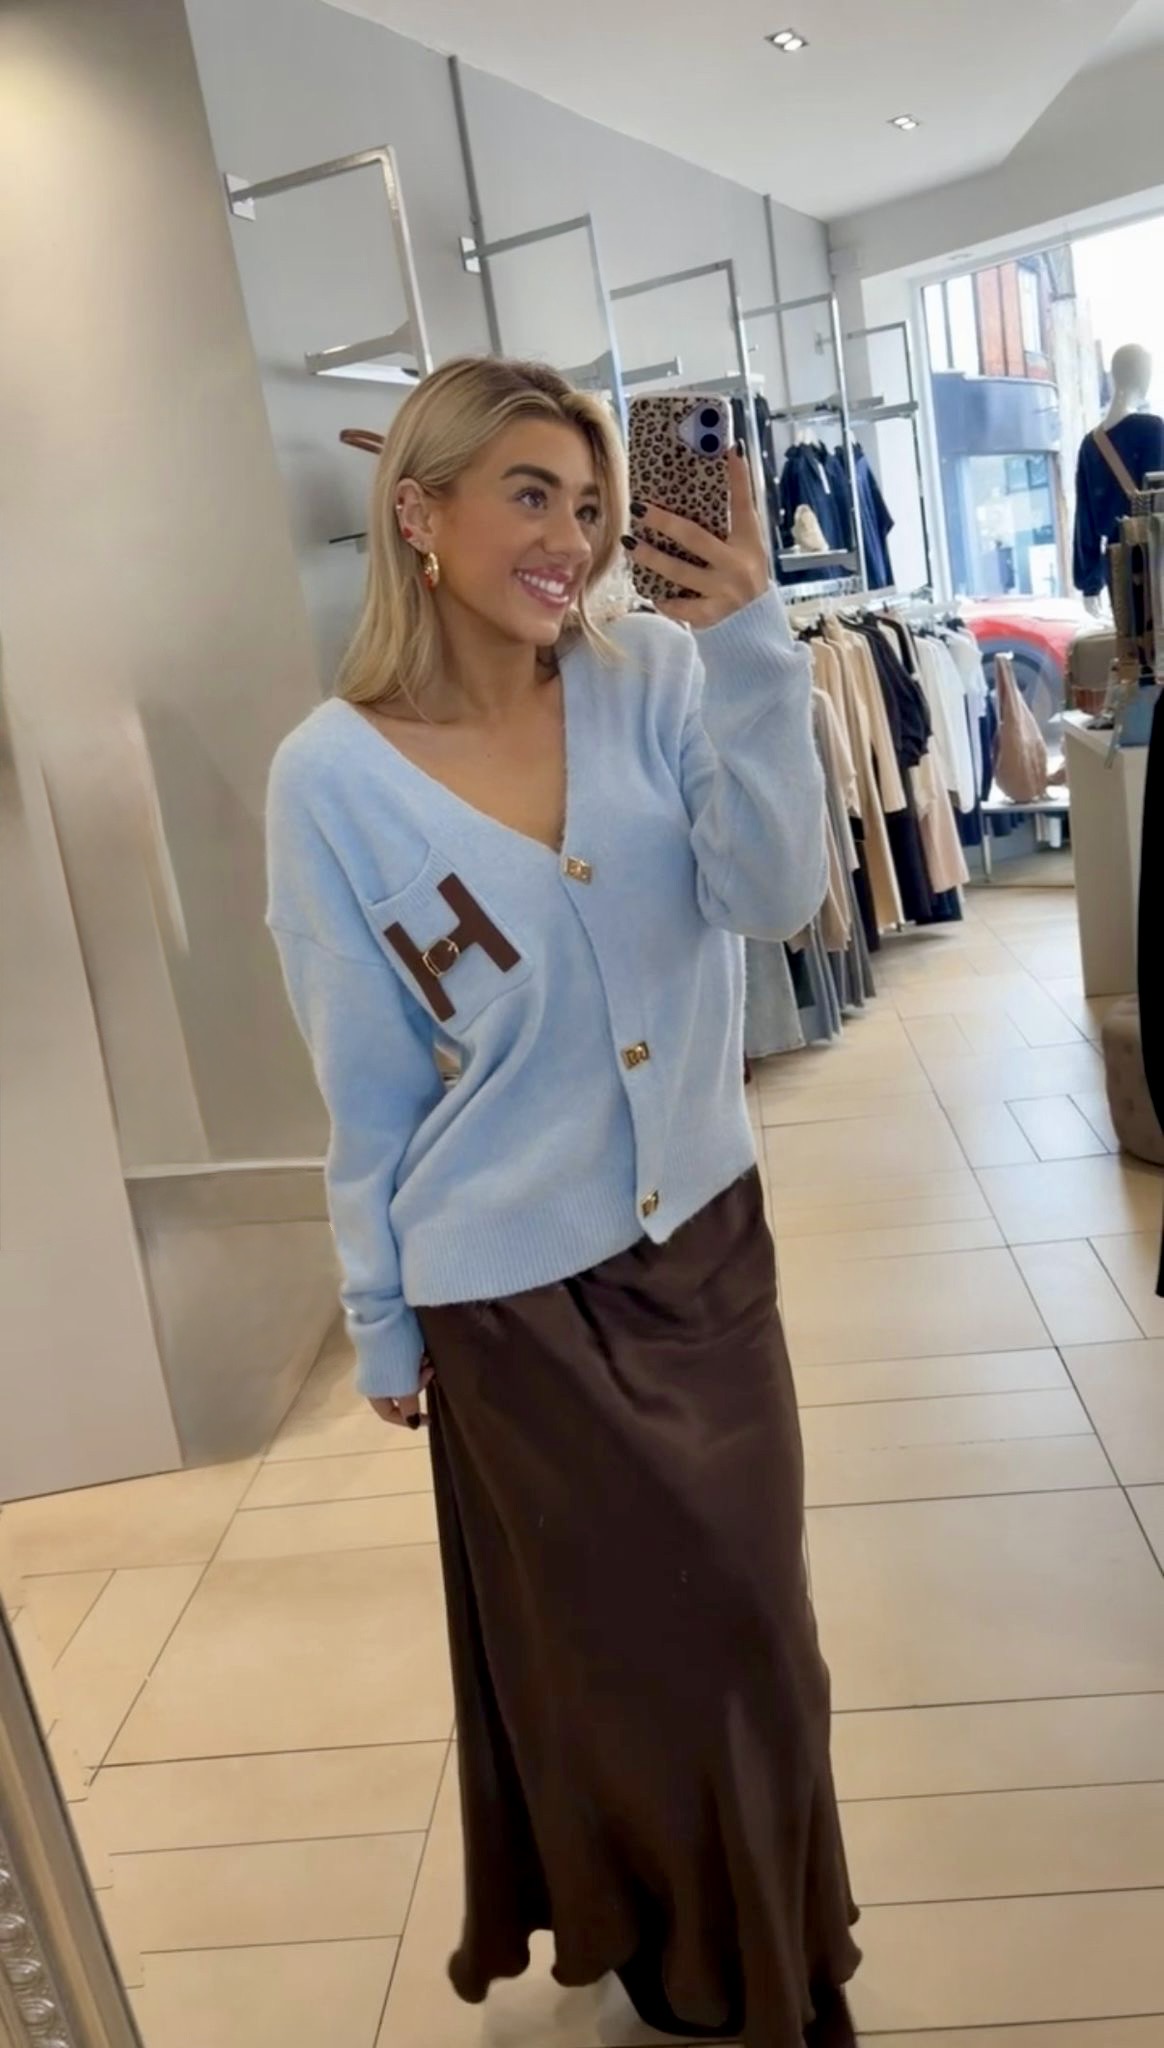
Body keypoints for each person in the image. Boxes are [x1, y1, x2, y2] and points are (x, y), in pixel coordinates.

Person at [266, 356, 859, 2047]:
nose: (574, 540)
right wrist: (382, 1316)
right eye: (531, 494)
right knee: (612, 1660)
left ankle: (773, 1958)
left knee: (753, 1629)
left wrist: (754, 648)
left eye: (593, 506)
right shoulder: (331, 778)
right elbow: (367, 1074)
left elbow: (773, 893)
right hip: (510, 1302)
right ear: (420, 513)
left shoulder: (653, 673)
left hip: (704, 1254)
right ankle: (679, 1965)